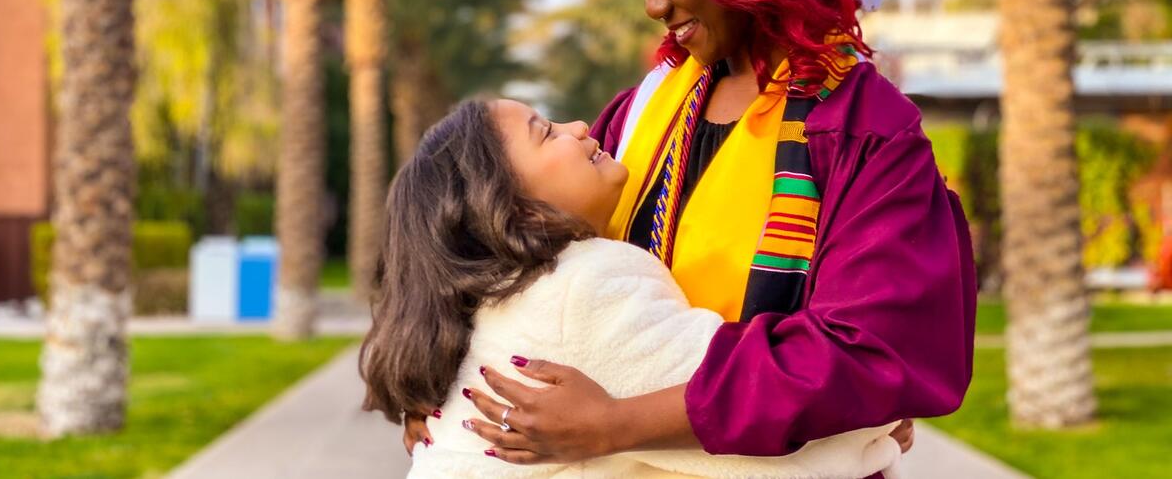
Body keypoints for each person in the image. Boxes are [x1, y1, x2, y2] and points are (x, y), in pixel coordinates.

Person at [446, 0, 977, 472]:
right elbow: (511, 250)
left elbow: (874, 351)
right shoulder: (640, 111)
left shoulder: (861, 126)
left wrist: (618, 423)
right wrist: (439, 390)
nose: (653, 6)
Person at [361, 99, 902, 478]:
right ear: (514, 207)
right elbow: (749, 428)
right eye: (546, 132)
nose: (578, 126)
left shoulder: (493, 302)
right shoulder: (583, 289)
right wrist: (874, 427)